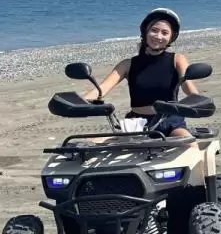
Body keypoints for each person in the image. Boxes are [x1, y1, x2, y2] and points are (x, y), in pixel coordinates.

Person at [80, 8, 199, 139]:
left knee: (189, 143)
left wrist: (200, 101)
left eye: (165, 33)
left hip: (170, 122)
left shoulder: (177, 60)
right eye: (154, 30)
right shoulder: (127, 64)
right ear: (145, 31)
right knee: (94, 145)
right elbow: (102, 89)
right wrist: (78, 103)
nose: (158, 36)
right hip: (136, 124)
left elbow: (191, 91)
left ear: (171, 37)